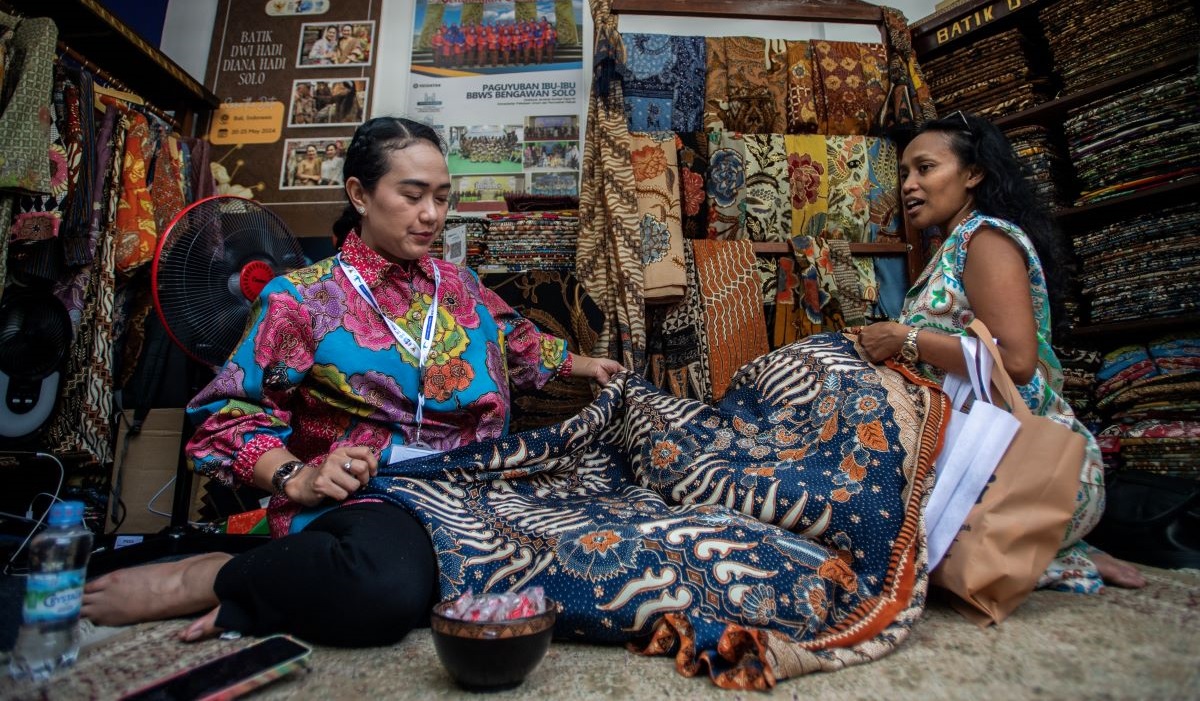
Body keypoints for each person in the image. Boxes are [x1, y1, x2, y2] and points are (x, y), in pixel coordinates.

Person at [81, 117, 625, 646]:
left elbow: (517, 343)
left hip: (477, 485)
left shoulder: (460, 285)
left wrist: (591, 367)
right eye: (411, 195)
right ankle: (208, 578)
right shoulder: (301, 300)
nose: (431, 214)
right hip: (375, 494)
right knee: (384, 591)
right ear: (360, 195)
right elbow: (227, 416)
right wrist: (297, 477)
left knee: (612, 546)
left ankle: (289, 581)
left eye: (441, 196)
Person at [857, 111, 1145, 591]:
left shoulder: (985, 240)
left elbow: (1016, 362)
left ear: (973, 174)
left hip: (1021, 464)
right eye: (904, 173)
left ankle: (1051, 547)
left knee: (895, 550)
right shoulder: (954, 247)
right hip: (979, 452)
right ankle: (1051, 544)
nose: (909, 184)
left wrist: (903, 338)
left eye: (925, 168)